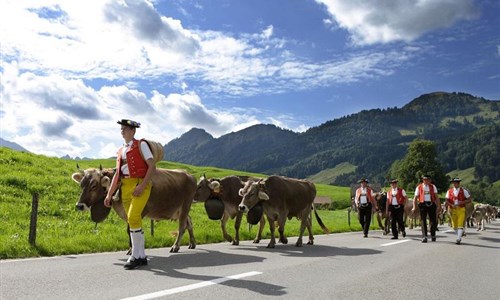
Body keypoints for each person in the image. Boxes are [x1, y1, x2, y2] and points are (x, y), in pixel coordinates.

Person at [104, 119, 156, 269]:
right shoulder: (120, 151)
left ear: (133, 131)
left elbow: (152, 165)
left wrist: (143, 185)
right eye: (121, 129)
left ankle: (134, 255)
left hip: (140, 184)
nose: (122, 131)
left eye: (125, 129)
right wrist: (109, 194)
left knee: (133, 217)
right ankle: (141, 256)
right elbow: (116, 175)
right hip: (125, 186)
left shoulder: (141, 144)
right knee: (133, 220)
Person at [412, 175, 440, 243]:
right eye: (424, 180)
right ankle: (424, 236)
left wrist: (439, 206)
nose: (426, 181)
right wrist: (414, 207)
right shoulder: (419, 187)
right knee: (423, 220)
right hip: (422, 204)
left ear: (430, 180)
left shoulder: (433, 186)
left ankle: (433, 235)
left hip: (431, 204)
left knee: (433, 220)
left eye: (427, 179)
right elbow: (415, 198)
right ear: (423, 180)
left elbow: (436, 197)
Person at [446, 178, 471, 245]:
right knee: (454, 226)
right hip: (452, 209)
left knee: (460, 224)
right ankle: (459, 234)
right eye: (454, 183)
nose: (455, 184)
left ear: (459, 183)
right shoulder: (449, 191)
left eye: (456, 182)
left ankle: (458, 239)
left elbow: (469, 200)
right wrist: (451, 205)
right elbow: (446, 200)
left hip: (461, 209)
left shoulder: (464, 191)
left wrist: (462, 202)